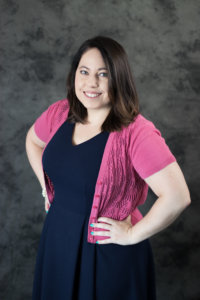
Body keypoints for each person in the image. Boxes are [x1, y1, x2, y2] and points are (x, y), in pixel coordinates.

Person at [25, 36, 191, 300]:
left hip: (106, 255)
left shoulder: (137, 132)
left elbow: (178, 196)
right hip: (57, 241)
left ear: (118, 79)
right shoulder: (61, 112)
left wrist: (132, 234)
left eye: (103, 74)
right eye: (84, 72)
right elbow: (33, 140)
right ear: (75, 74)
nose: (91, 83)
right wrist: (46, 187)